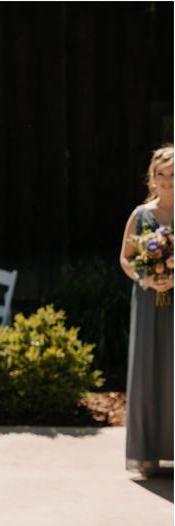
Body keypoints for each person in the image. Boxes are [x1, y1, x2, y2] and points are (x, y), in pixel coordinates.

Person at [119, 143, 174, 477]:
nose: (167, 181)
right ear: (152, 178)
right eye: (162, 175)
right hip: (149, 299)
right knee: (150, 368)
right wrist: (147, 277)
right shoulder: (141, 215)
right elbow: (125, 257)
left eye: (173, 176)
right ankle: (148, 451)